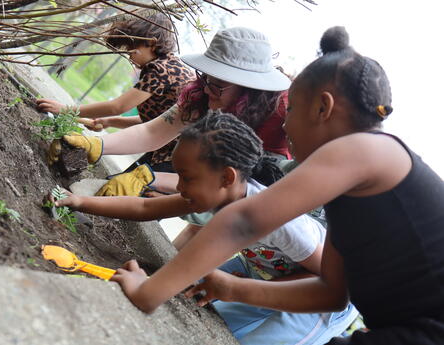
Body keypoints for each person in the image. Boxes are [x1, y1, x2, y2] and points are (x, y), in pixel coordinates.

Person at [110, 26, 444, 345]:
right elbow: (331, 292)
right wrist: (231, 288)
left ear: (323, 108)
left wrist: (148, 292)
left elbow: (244, 220)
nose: (285, 121)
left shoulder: (365, 149)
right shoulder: (353, 192)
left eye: (294, 108)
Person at [53, 112, 357, 345]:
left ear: (226, 177)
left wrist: (240, 291)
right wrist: (79, 201)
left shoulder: (282, 221)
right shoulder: (217, 191)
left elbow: (326, 280)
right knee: (205, 312)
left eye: (186, 177)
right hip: (260, 266)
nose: (179, 186)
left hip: (316, 298)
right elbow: (145, 207)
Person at [47, 27, 292, 192]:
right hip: (191, 165)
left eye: (216, 85)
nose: (206, 89)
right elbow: (153, 133)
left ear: (248, 88)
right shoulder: (201, 93)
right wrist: (97, 144)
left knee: (139, 192)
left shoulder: (279, 116)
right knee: (116, 189)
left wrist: (155, 181)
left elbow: (228, 186)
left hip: (243, 185)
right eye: (205, 78)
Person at [37, 13, 194, 172]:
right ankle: (65, 170)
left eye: (132, 48)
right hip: (168, 148)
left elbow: (118, 106)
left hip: (181, 157)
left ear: (151, 44)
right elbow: (155, 121)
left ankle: (66, 171)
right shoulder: (171, 65)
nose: (129, 55)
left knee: (129, 188)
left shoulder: (160, 70)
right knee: (120, 182)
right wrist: (109, 122)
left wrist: (67, 110)